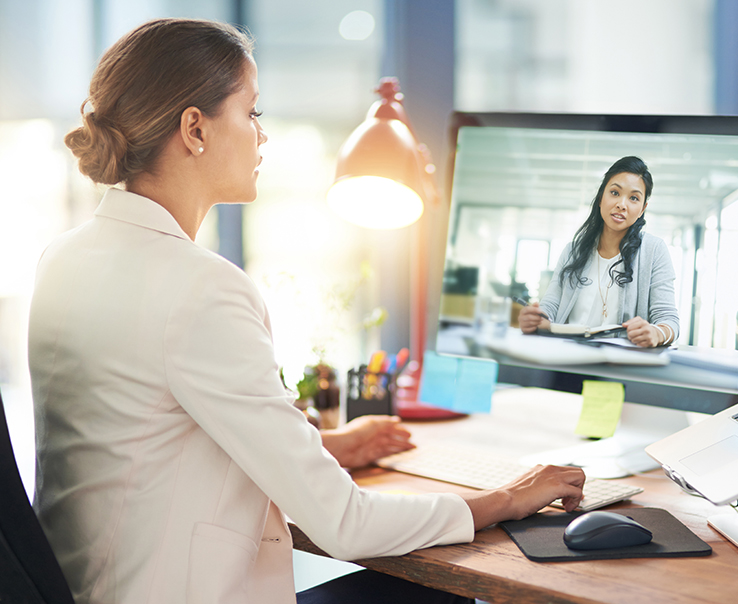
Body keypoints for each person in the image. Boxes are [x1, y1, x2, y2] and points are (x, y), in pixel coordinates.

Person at [28, 18, 584, 604]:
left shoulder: (64, 258)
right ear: (194, 127)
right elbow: (344, 524)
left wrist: (331, 446)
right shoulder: (200, 289)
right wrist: (507, 498)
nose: (262, 136)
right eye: (252, 113)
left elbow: (149, 438)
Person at [518, 156, 680, 348]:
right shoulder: (573, 251)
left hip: (618, 365)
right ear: (601, 197)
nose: (622, 204)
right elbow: (550, 307)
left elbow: (670, 321)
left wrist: (656, 332)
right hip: (565, 358)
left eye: (634, 198)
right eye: (614, 192)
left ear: (642, 209)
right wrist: (535, 319)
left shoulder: (654, 251)